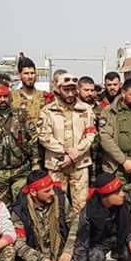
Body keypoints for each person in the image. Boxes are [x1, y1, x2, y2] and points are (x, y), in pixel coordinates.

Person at [10, 170, 79, 261]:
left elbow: (75, 224)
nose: (52, 193)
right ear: (33, 192)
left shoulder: (61, 199)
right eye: (47, 191)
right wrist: (41, 260)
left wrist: (68, 251)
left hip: (60, 250)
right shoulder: (20, 210)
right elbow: (18, 244)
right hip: (36, 252)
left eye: (52, 188)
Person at [38, 72, 97, 212]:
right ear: (58, 89)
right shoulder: (47, 111)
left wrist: (76, 153)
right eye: (66, 90)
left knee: (81, 205)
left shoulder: (86, 109)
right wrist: (66, 151)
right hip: (57, 163)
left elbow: (90, 134)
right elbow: (44, 136)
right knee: (57, 204)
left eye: (73, 89)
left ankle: (79, 227)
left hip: (80, 163)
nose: (70, 94)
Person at [11, 54, 51, 125]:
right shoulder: (12, 97)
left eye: (32, 73)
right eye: (26, 73)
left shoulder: (45, 96)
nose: (30, 77)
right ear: (19, 75)